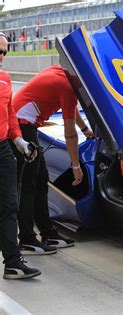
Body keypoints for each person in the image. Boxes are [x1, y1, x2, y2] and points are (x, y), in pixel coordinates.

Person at [12, 65, 94, 254]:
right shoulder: (67, 87)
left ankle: (47, 232)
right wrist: (76, 166)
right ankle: (26, 239)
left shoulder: (60, 72)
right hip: (20, 128)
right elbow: (69, 134)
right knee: (28, 186)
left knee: (40, 183)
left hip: (25, 125)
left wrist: (84, 130)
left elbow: (70, 109)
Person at [0, 32, 41, 279]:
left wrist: (19, 141)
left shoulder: (4, 79)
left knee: (8, 206)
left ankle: (13, 262)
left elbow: (10, 113)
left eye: (5, 51)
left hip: (3, 148)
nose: (2, 56)